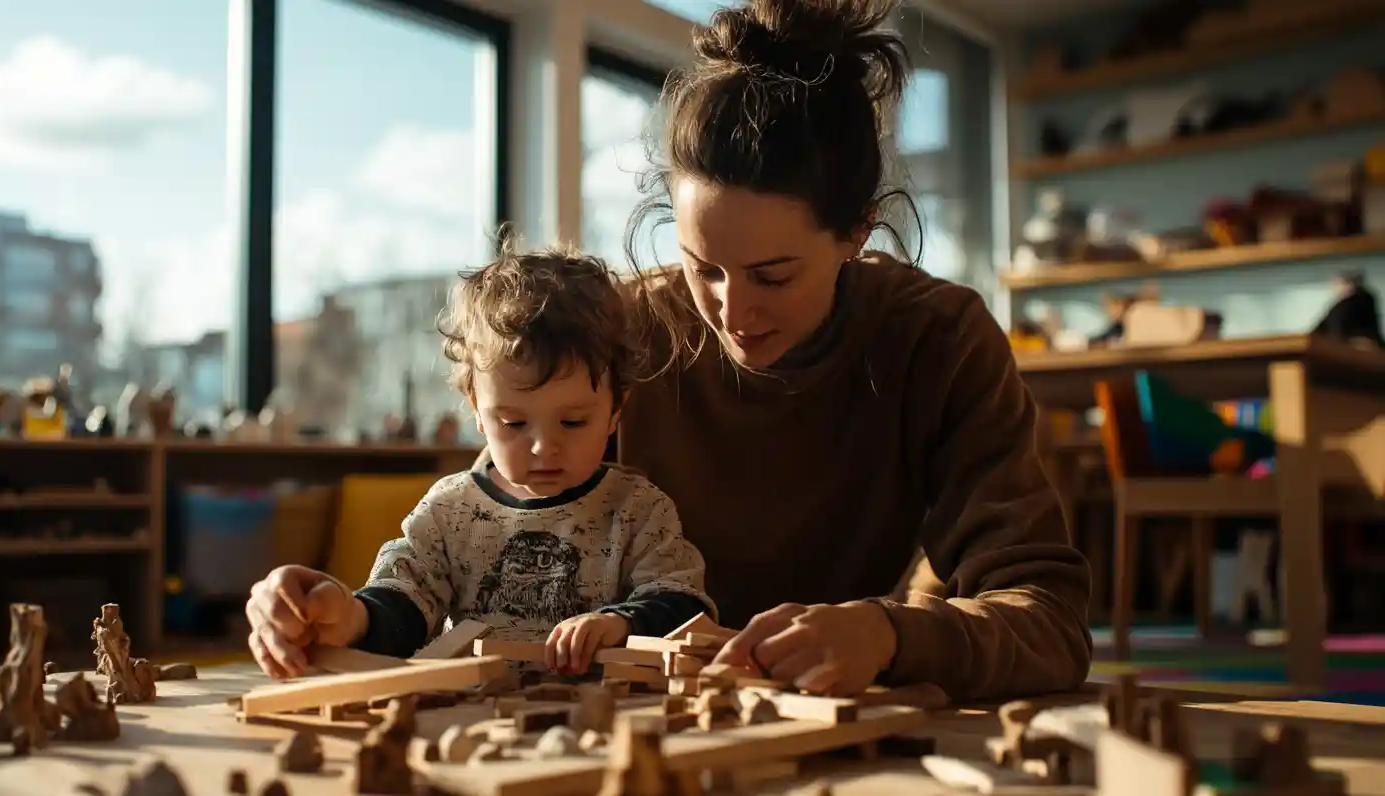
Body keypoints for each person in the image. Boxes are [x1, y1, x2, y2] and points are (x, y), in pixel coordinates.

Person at [614, 0, 1092, 701]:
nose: (732, 311)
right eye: (702, 268)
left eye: (773, 276)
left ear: (857, 232)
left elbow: (1049, 623)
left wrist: (889, 635)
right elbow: (482, 532)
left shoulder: (938, 338)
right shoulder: (622, 331)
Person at [244, 243, 714, 679]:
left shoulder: (638, 510)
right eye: (513, 423)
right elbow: (405, 603)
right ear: (477, 411)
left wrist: (620, 623)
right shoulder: (450, 511)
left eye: (572, 423)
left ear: (615, 411)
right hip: (475, 723)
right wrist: (348, 616)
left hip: (601, 727)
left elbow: (684, 605)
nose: (542, 448)